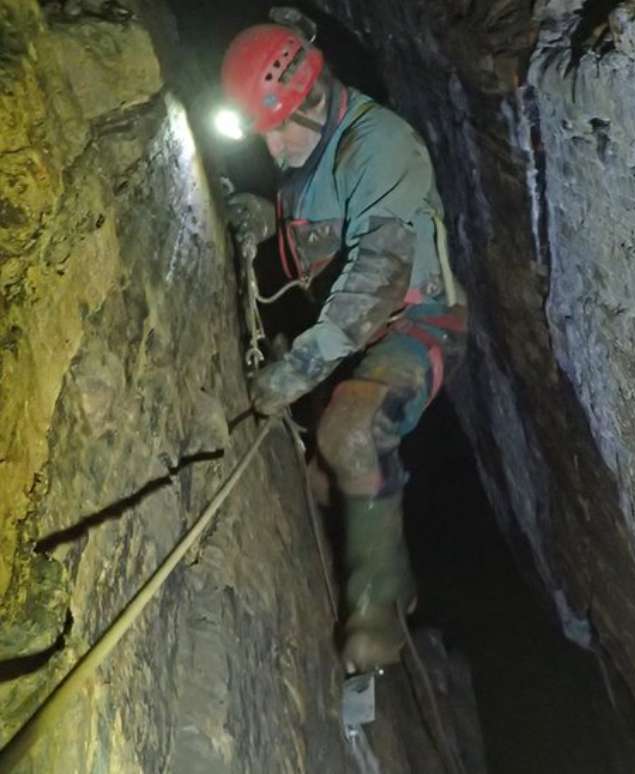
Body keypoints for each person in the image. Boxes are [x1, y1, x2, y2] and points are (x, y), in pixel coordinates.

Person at [221, 15, 466, 674]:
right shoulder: (307, 147)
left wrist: (300, 366)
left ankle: (381, 607)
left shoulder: (380, 144)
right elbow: (314, 234)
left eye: (274, 131)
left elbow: (377, 275)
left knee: (351, 431)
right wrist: (259, 215)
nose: (270, 151)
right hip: (349, 329)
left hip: (416, 324)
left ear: (308, 99)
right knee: (321, 474)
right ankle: (359, 543)